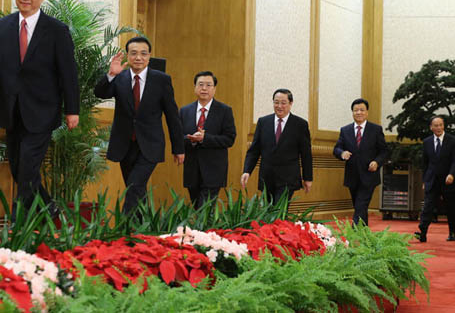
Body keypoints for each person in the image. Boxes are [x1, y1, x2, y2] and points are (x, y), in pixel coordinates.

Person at [0, 0, 79, 218]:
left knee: (29, 166)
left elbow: (68, 73)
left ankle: (18, 225)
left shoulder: (56, 30)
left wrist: (72, 110)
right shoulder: (4, 25)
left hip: (42, 110)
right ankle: (51, 210)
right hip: (11, 109)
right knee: (20, 168)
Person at [94, 36, 185, 215]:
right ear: (128, 56)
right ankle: (143, 232)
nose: (138, 58)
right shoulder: (119, 77)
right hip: (124, 145)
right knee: (136, 190)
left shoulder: (161, 80)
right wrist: (111, 74)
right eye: (134, 53)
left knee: (135, 186)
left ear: (149, 56)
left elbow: (172, 116)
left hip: (150, 145)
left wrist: (178, 148)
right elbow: (101, 93)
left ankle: (125, 229)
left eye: (143, 54)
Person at [240, 89, 312, 206]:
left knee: (279, 212)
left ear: (290, 103)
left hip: (288, 178)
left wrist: (308, 178)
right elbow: (254, 150)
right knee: (267, 213)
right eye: (276, 102)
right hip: (267, 177)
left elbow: (306, 154)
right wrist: (247, 171)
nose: (279, 106)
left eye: (283, 103)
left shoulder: (300, 124)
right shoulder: (263, 122)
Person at [180, 71, 236, 208]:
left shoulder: (224, 110)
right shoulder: (185, 111)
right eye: (201, 84)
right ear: (195, 87)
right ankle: (203, 230)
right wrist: (192, 139)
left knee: (205, 209)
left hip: (214, 169)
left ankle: (204, 230)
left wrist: (206, 139)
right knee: (196, 207)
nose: (204, 88)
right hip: (192, 169)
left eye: (208, 85)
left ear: (214, 89)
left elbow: (229, 139)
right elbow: (177, 137)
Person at [333, 98, 388, 226]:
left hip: (369, 174)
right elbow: (336, 148)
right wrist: (342, 153)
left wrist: (377, 162)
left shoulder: (375, 129)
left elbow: (384, 151)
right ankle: (364, 236)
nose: (359, 112)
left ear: (367, 112)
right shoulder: (345, 130)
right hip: (352, 175)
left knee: (361, 204)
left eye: (362, 110)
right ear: (352, 112)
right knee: (360, 207)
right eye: (356, 110)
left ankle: (354, 233)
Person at [415, 116, 455, 242]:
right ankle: (422, 232)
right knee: (427, 206)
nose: (438, 128)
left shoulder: (452, 141)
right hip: (432, 179)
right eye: (436, 125)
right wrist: (425, 180)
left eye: (440, 125)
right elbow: (425, 163)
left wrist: (452, 174)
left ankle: (452, 232)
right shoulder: (427, 142)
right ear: (431, 127)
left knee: (451, 207)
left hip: (448, 179)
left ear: (444, 126)